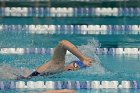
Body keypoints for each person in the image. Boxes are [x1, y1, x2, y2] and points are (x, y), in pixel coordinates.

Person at [17, 40, 94, 79]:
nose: (73, 68)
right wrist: (82, 58)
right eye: (75, 65)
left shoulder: (59, 72)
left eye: (76, 69)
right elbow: (63, 43)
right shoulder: (58, 64)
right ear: (71, 62)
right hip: (23, 79)